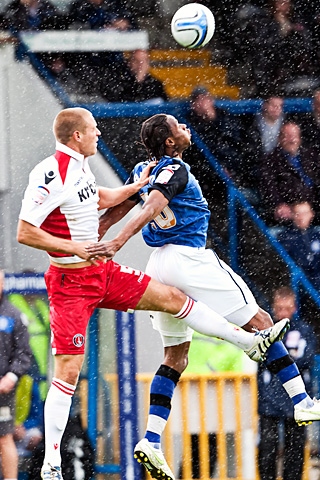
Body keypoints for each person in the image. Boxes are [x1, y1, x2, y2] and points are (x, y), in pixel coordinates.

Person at [16, 107, 286, 480]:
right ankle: (51, 464)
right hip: (70, 283)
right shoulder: (50, 172)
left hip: (102, 273)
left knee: (173, 299)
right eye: (93, 130)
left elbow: (102, 198)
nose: (99, 134)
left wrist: (136, 185)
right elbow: (25, 232)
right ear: (76, 136)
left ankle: (247, 343)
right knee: (69, 370)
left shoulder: (81, 167)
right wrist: (74, 247)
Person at [86, 113, 320, 480]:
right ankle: (301, 400)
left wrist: (100, 230)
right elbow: (147, 208)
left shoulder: (141, 170)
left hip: (158, 264)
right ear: (169, 142)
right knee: (262, 321)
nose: (185, 128)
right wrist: (115, 242)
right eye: (179, 126)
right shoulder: (174, 169)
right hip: (189, 258)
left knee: (175, 355)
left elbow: (124, 206)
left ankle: (150, 439)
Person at [258, 286, 316, 480]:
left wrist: (279, 362)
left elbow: (305, 360)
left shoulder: (304, 330)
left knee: (296, 449)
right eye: (279, 307)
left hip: (297, 399)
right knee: (267, 449)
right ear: (273, 307)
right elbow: (260, 359)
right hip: (270, 399)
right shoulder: (266, 330)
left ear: (294, 307)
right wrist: (287, 360)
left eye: (287, 307)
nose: (283, 312)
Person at [178, 332, 246, 479]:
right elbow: (231, 353)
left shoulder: (201, 321)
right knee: (203, 445)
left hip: (203, 390)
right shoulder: (222, 325)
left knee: (200, 445)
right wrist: (211, 370)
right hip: (206, 390)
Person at [0, 268, 33, 480]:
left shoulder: (13, 315)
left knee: (4, 437)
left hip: (3, 391)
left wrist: (10, 377)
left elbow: (24, 354)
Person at [258, 122, 320, 225]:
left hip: (314, 205)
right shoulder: (270, 160)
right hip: (290, 206)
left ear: (299, 138)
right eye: (287, 136)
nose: (292, 140)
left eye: (294, 135)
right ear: (279, 139)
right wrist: (279, 204)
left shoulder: (311, 156)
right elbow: (268, 186)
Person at [100, 49, 168, 103]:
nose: (140, 65)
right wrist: (138, 81)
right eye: (136, 61)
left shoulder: (156, 84)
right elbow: (122, 101)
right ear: (130, 63)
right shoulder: (119, 81)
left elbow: (164, 105)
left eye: (144, 61)